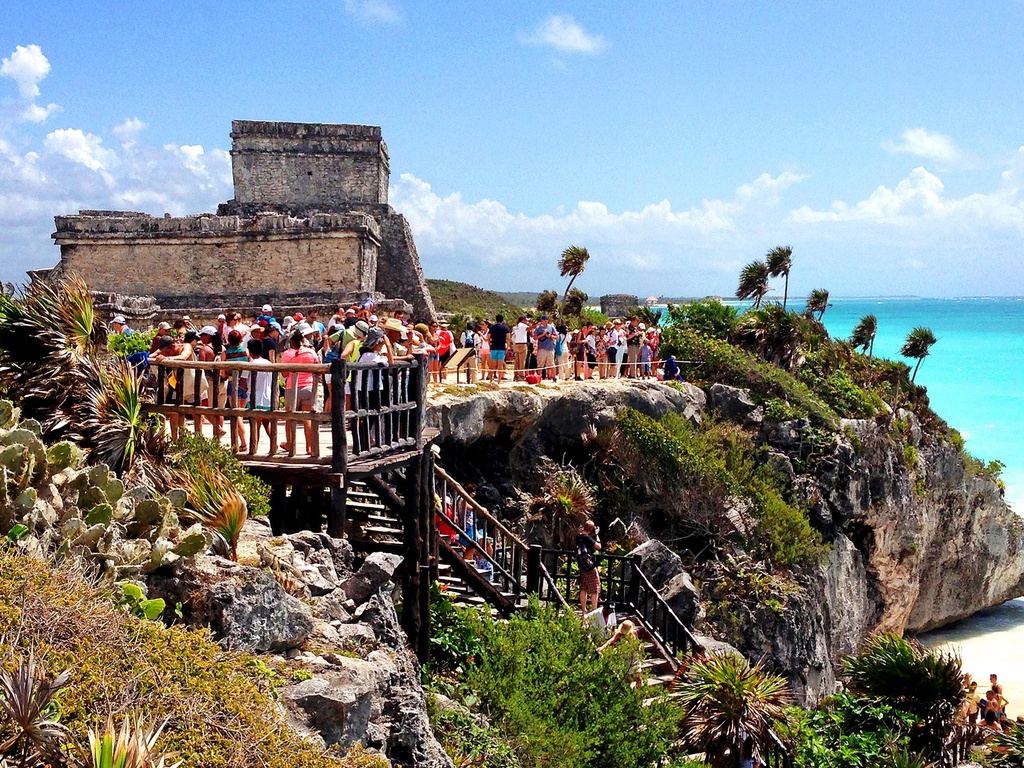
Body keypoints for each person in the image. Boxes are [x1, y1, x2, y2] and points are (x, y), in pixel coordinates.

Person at [281, 329, 321, 454]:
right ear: (303, 340)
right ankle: (310, 447)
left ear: (291, 342)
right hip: (308, 386)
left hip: (292, 388)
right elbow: (318, 370)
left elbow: (284, 373)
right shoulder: (311, 353)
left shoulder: (287, 354)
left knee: (290, 418)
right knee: (307, 418)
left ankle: (290, 445)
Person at [576, 520, 602, 612]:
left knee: (584, 587)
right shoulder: (587, 538)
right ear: (591, 529)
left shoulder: (578, 536)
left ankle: (584, 609)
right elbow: (598, 546)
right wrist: (596, 535)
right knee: (595, 587)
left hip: (582, 565)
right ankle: (594, 610)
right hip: (589, 565)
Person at [533, 314, 557, 381]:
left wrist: (550, 336)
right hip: (542, 348)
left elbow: (556, 337)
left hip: (550, 348)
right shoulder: (538, 328)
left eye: (547, 320)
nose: (546, 321)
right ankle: (539, 377)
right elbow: (535, 337)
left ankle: (554, 377)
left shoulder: (551, 327)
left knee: (552, 363)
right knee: (540, 364)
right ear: (542, 320)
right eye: (544, 320)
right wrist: (542, 335)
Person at [487, 314, 510, 382]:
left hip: (494, 347)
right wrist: (507, 347)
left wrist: (489, 345)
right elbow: (508, 338)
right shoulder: (505, 328)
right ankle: (499, 380)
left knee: (492, 365)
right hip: (501, 348)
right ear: (502, 320)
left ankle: (491, 379)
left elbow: (488, 337)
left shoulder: (492, 328)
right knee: (500, 365)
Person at [512, 315, 529, 381]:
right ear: (523, 320)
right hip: (522, 344)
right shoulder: (523, 325)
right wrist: (535, 325)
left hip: (516, 344)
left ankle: (515, 375)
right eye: (526, 320)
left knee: (516, 361)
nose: (527, 321)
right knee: (522, 361)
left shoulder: (515, 327)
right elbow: (529, 328)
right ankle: (521, 375)